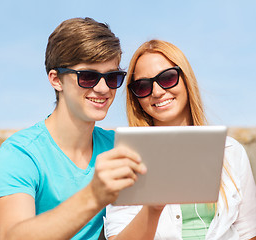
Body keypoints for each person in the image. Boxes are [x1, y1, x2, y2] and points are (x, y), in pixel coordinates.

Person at [0, 17, 146, 240]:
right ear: (56, 80)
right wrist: (94, 196)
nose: (103, 88)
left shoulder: (118, 146)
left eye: (112, 77)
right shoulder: (19, 154)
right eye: (88, 76)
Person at [104, 40, 256, 240]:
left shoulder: (231, 151)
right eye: (142, 86)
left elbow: (248, 234)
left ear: (186, 79)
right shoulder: (125, 160)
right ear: (136, 99)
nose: (157, 92)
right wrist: (153, 207)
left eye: (167, 78)